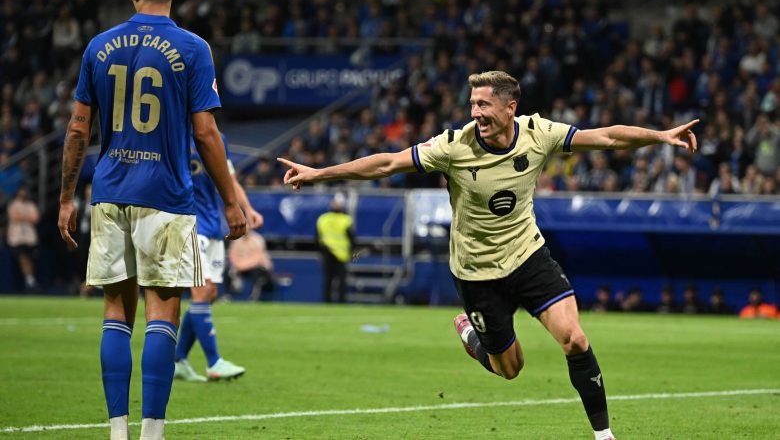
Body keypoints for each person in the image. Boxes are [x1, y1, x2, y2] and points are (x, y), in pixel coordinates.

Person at [278, 71, 699, 440]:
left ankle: (603, 433)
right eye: (472, 104)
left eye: (483, 104)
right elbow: (387, 164)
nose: (475, 112)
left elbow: (605, 137)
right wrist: (320, 174)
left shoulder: (538, 133)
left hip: (527, 256)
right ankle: (471, 335)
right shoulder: (453, 146)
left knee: (574, 338)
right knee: (509, 369)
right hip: (476, 272)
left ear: (510, 107)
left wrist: (661, 136)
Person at [57, 0, 246, 439]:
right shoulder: (193, 48)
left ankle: (117, 432)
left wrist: (65, 197)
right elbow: (205, 132)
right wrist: (231, 200)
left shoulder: (99, 46)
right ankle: (152, 434)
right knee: (162, 315)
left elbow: (78, 129)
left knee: (115, 314)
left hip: (109, 192)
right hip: (166, 196)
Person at [174, 134, 263, 382]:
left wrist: (248, 209)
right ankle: (214, 362)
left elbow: (230, 179)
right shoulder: (175, 130)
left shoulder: (216, 137)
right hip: (188, 222)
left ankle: (179, 360)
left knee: (210, 293)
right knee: (202, 291)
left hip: (213, 225)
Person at [315, 193, 355, 303]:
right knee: (333, 280)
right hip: (333, 253)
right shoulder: (345, 219)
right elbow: (352, 238)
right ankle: (331, 302)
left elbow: (317, 238)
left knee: (334, 280)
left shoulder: (324, 219)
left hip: (336, 253)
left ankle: (335, 302)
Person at [6, 185, 39, 291]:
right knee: (22, 258)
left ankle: (29, 280)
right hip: (17, 238)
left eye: (25, 191)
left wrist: (22, 216)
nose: (23, 193)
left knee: (29, 259)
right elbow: (14, 217)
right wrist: (27, 217)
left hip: (30, 238)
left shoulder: (31, 205)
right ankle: (29, 280)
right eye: (21, 191)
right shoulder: (13, 205)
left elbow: (35, 218)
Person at [228, 228, 276, 301]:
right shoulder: (236, 240)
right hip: (241, 267)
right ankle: (229, 295)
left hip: (258, 267)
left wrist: (242, 266)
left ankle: (254, 297)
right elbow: (233, 257)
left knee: (256, 271)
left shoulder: (257, 239)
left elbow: (257, 259)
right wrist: (240, 267)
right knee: (228, 271)